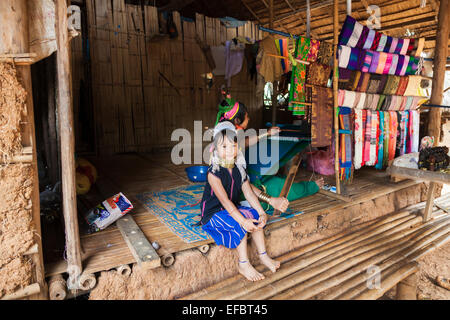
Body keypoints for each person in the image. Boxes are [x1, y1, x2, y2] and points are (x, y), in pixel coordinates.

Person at [200, 121, 280, 281]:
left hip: (231, 209)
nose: (230, 150)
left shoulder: (239, 169)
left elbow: (249, 193)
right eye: (224, 147)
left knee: (253, 215)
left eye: (233, 145)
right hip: (213, 214)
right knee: (240, 221)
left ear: (238, 146)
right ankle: (243, 263)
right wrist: (243, 221)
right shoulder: (213, 172)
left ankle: (263, 256)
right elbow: (226, 203)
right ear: (215, 148)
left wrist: (262, 212)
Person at [218, 100, 324, 209]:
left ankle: (309, 186)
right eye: (247, 116)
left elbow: (244, 142)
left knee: (275, 179)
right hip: (241, 197)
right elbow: (245, 185)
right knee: (279, 186)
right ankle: (312, 186)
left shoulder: (226, 137)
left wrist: (267, 133)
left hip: (244, 187)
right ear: (237, 120)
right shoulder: (227, 161)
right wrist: (270, 200)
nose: (249, 119)